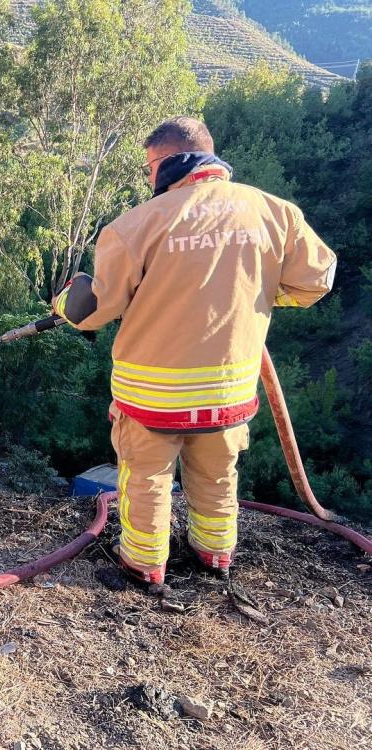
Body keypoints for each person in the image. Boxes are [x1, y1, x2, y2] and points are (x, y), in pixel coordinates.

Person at [52, 116, 337, 586]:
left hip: (153, 398)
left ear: (168, 161)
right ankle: (215, 556)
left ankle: (144, 567)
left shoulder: (136, 226)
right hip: (227, 394)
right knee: (217, 477)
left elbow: (94, 309)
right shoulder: (274, 212)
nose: (149, 177)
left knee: (146, 479)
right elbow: (316, 281)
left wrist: (65, 303)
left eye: (149, 167)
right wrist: (256, 293)